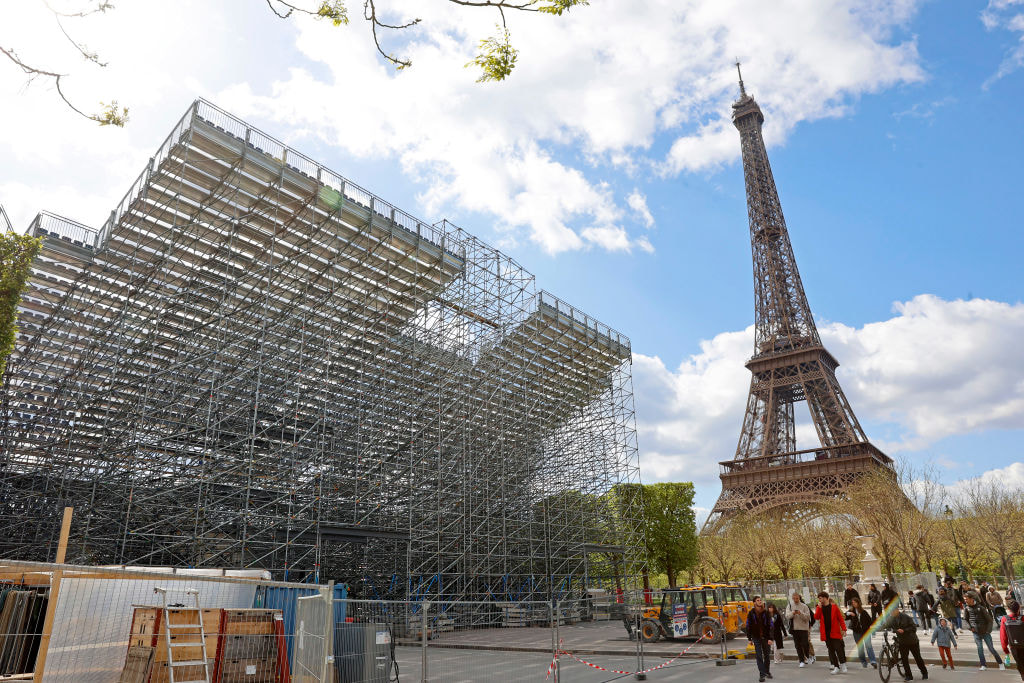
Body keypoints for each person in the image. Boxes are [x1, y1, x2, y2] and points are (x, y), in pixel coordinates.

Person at [964, 590, 1005, 670]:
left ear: (972, 599)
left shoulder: (981, 608)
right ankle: (983, 665)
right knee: (980, 649)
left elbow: (990, 620)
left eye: (966, 599)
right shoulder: (967, 609)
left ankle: (1000, 663)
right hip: (975, 633)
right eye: (964, 599)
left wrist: (988, 631)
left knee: (991, 649)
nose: (965, 601)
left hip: (985, 632)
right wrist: (970, 628)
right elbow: (965, 620)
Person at [888, 609, 928, 681]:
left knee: (917, 658)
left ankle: (924, 673)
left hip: (912, 641)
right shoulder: (892, 619)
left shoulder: (905, 617)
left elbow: (914, 627)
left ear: (897, 610)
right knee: (904, 659)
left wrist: (904, 630)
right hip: (902, 642)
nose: (891, 613)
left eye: (892, 611)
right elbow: (887, 625)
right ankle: (909, 676)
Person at [814, 591, 848, 675]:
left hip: (835, 632)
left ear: (825, 598)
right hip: (826, 633)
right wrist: (818, 608)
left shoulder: (834, 607)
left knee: (838, 649)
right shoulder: (820, 607)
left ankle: (843, 664)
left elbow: (840, 619)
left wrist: (844, 629)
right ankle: (836, 666)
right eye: (819, 598)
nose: (819, 599)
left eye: (820, 598)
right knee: (831, 650)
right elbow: (816, 617)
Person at [747, 596, 774, 682]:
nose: (760, 601)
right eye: (757, 600)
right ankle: (762, 674)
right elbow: (748, 626)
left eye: (760, 600)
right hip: (756, 637)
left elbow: (771, 626)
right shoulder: (751, 613)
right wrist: (749, 638)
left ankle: (767, 671)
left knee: (767, 655)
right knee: (759, 656)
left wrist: (770, 638)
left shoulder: (766, 612)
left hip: (766, 638)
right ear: (754, 603)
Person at [845, 596, 877, 669]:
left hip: (865, 632)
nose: (853, 604)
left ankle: (873, 661)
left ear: (858, 603)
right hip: (857, 632)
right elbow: (844, 616)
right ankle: (863, 662)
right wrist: (849, 613)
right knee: (860, 648)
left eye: (855, 602)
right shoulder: (851, 611)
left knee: (869, 646)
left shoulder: (863, 612)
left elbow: (870, 622)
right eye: (852, 603)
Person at [787, 591, 814, 667]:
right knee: (797, 645)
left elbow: (808, 617)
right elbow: (787, 616)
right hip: (795, 629)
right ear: (792, 598)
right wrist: (793, 613)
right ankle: (801, 660)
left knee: (805, 644)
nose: (796, 600)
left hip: (803, 628)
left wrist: (800, 613)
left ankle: (808, 656)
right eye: (794, 598)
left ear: (799, 598)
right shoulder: (789, 606)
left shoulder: (804, 606)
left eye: (797, 598)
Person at [1000, 600, 1024, 681]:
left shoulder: (1004, 619)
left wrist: (1005, 650)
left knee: (1020, 664)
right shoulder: (1023, 618)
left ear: (1009, 609)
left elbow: (1003, 637)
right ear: (1019, 608)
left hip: (1014, 647)